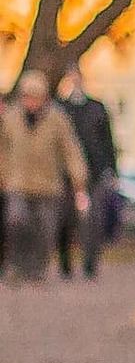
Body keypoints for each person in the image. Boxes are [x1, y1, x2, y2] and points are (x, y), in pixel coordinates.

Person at [0, 70, 89, 282]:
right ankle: (17, 267)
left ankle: (37, 270)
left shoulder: (57, 119)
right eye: (26, 97)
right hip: (17, 183)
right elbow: (2, 148)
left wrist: (78, 178)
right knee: (16, 222)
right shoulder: (10, 118)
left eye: (34, 97)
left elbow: (71, 150)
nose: (30, 102)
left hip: (48, 186)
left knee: (45, 230)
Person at [57, 65, 119, 278]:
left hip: (94, 172)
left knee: (94, 220)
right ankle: (66, 265)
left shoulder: (96, 108)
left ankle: (90, 265)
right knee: (66, 220)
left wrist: (111, 170)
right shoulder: (60, 109)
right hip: (65, 175)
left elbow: (108, 142)